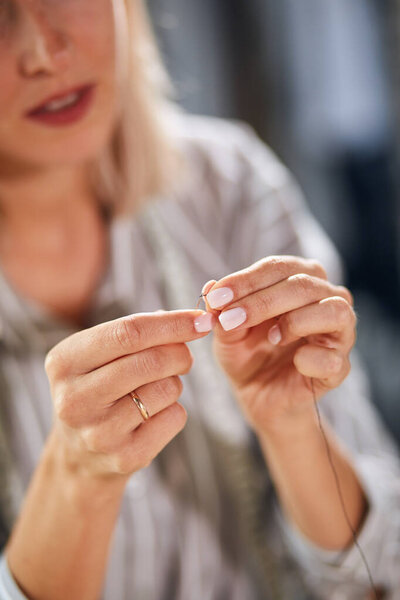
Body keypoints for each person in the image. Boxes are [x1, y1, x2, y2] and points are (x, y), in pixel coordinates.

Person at [0, 1, 399, 599]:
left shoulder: (230, 183)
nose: (45, 52)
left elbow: (377, 578)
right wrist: (78, 481)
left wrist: (292, 427)